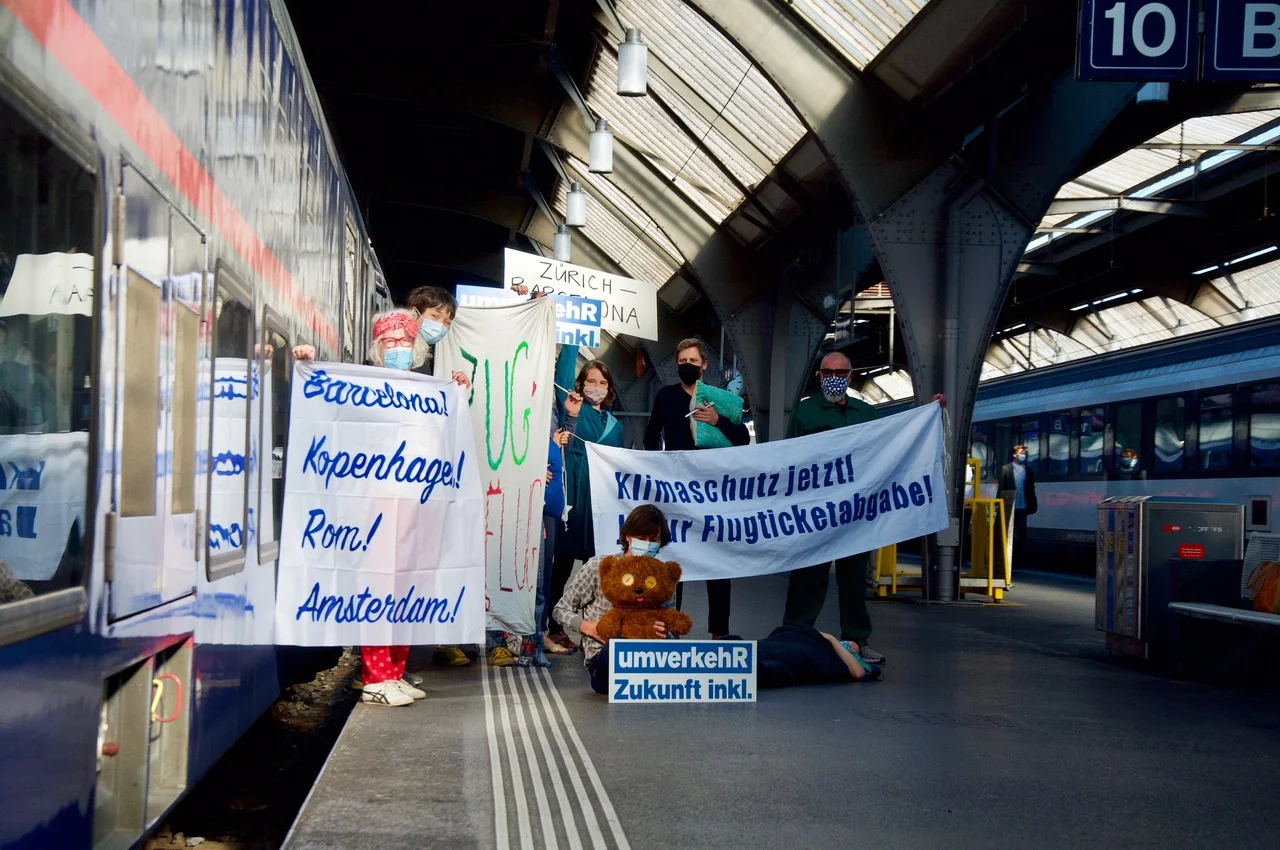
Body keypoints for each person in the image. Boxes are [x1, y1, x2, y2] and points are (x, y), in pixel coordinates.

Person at [781, 351, 890, 664]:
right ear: (819, 375)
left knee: (854, 577)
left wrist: (932, 410)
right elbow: (789, 459)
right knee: (808, 575)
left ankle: (858, 638)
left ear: (850, 376)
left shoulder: (866, 414)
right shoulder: (805, 412)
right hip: (815, 511)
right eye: (827, 372)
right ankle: (795, 633)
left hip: (854, 512)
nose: (833, 377)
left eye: (840, 373)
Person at [643, 338, 748, 638]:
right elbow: (652, 437)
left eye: (693, 361)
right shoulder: (665, 396)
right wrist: (656, 469)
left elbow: (742, 438)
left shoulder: (718, 400)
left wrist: (717, 420)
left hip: (713, 490)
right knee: (676, 561)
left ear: (704, 365)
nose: (687, 366)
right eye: (682, 361)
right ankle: (671, 627)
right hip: (676, 491)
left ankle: (719, 632)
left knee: (717, 560)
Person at [553, 504, 687, 694]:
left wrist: (666, 634)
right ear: (627, 536)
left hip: (651, 657)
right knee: (615, 648)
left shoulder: (663, 577)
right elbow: (560, 609)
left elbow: (674, 631)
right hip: (604, 655)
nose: (647, 544)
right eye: (641, 538)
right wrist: (588, 627)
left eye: (653, 540)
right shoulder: (599, 567)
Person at [546, 360, 624, 649]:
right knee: (563, 562)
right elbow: (564, 378)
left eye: (603, 383)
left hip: (600, 497)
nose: (597, 388)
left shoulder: (616, 425)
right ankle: (554, 625)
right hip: (575, 490)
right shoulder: (576, 412)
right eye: (591, 381)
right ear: (580, 384)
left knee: (599, 564)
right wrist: (570, 344)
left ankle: (596, 624)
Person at [999, 445, 1038, 568]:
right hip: (1010, 506)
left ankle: (1019, 560)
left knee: (1021, 534)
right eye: (1021, 453)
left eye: (1024, 453)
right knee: (1009, 534)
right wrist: (998, 504)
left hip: (1022, 506)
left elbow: (1031, 490)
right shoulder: (1006, 469)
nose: (1023, 455)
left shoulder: (1029, 471)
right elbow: (1001, 489)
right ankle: (1007, 559)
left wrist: (1033, 504)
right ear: (1014, 455)